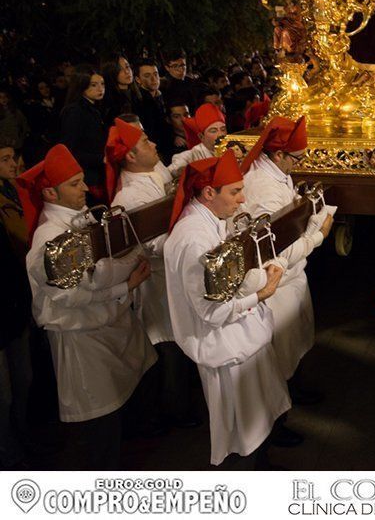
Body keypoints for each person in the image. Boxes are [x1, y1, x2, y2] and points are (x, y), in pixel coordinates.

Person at [18, 144, 156, 469]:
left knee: (116, 413)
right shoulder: (50, 237)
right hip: (80, 338)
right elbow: (70, 295)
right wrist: (125, 283)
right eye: (75, 184)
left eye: (82, 181)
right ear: (50, 192)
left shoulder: (80, 219)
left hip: (102, 328)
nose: (85, 188)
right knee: (100, 421)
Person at [163, 152, 290, 466]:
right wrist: (262, 293)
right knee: (242, 437)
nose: (243, 199)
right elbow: (211, 313)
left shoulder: (210, 222)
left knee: (259, 424)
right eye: (234, 191)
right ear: (209, 193)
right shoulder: (193, 239)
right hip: (224, 348)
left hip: (242, 339)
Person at [106, 118, 199, 429]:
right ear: (130, 156)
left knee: (180, 341)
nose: (155, 144)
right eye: (145, 142)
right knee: (169, 346)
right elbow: (151, 245)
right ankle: (174, 412)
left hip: (173, 275)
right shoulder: (129, 197)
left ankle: (181, 404)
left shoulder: (152, 174)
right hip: (157, 280)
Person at [239, 116, 334, 404]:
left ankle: (295, 390)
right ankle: (279, 412)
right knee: (281, 352)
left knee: (296, 344)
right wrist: (318, 234)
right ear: (278, 154)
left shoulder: (277, 171)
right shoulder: (263, 187)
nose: (299, 164)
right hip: (277, 281)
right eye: (296, 158)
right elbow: (273, 248)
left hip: (294, 277)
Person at [0, 145, 33, 468]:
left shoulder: (11, 193)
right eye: (5, 159)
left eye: (13, 158)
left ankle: (23, 440)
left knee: (23, 380)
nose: (13, 164)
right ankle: (11, 459)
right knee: (4, 394)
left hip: (12, 308)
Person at [59, 64, 108, 203]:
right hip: (88, 176)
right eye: (93, 85)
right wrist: (100, 159)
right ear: (82, 86)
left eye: (102, 84)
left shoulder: (94, 108)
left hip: (98, 172)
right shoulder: (75, 111)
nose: (100, 88)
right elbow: (70, 150)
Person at [167, 103, 226, 177]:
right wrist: (182, 171)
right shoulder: (191, 155)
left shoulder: (233, 148)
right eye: (213, 131)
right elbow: (170, 172)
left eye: (223, 129)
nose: (220, 135)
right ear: (201, 136)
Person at [133, 59, 170, 160]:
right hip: (154, 153)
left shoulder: (163, 95)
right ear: (138, 79)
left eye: (155, 74)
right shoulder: (138, 102)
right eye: (147, 76)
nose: (154, 79)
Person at [100, 54, 140, 126]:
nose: (127, 71)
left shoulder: (138, 95)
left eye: (127, 66)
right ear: (111, 72)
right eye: (120, 69)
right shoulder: (108, 102)